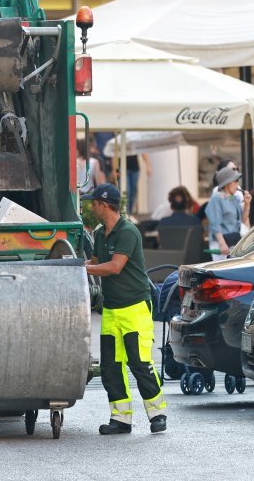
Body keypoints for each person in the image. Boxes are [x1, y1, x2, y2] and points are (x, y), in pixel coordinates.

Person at [82, 183, 167, 435]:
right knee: (111, 366)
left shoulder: (129, 232)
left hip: (135, 308)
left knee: (140, 363)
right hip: (111, 309)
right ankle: (121, 419)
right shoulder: (100, 233)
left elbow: (114, 267)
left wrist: (83, 269)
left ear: (104, 205)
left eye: (93, 203)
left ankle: (157, 414)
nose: (91, 207)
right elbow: (97, 262)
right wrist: (75, 264)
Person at [207, 167, 251, 261]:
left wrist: (247, 204)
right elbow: (215, 224)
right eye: (235, 181)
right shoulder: (216, 198)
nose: (237, 184)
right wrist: (222, 244)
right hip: (221, 244)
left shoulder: (232, 198)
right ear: (227, 183)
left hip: (232, 242)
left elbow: (243, 220)